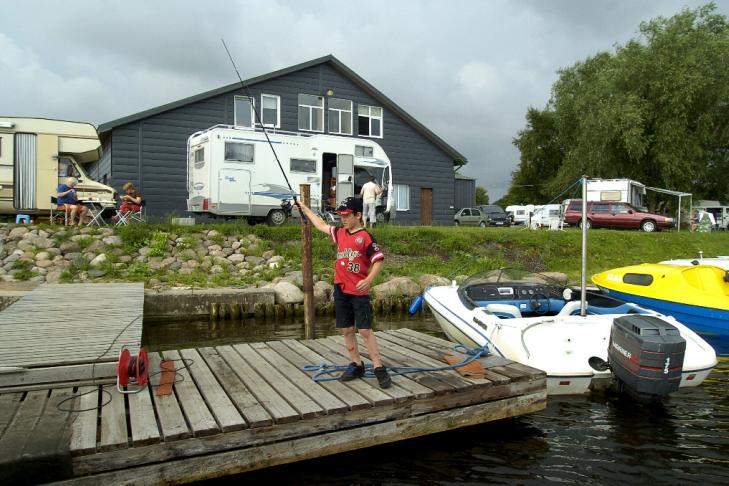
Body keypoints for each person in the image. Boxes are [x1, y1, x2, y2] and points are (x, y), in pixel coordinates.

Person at [297, 196, 392, 388]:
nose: (343, 219)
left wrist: (368, 280)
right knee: (346, 329)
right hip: (340, 289)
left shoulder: (365, 237)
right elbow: (321, 225)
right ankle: (357, 364)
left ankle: (378, 366)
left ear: (358, 215)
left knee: (364, 330)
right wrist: (304, 208)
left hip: (358, 291)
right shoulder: (339, 233)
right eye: (341, 216)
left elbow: (378, 260)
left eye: (347, 216)